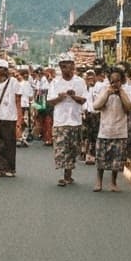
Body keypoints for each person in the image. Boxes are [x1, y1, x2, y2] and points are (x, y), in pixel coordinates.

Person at [47, 54, 87, 187]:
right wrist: (61, 97)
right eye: (63, 66)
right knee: (61, 148)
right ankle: (65, 176)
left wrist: (73, 96)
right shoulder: (55, 82)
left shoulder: (80, 81)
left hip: (75, 120)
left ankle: (69, 175)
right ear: (60, 67)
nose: (67, 69)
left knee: (72, 148)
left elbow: (83, 100)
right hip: (61, 120)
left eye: (69, 66)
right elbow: (51, 101)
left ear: (73, 67)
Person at [91, 67, 131, 192]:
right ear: (109, 81)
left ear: (122, 81)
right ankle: (99, 182)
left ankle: (113, 183)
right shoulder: (104, 90)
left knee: (117, 161)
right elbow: (96, 106)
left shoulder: (126, 91)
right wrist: (107, 93)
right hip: (105, 130)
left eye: (118, 81)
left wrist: (120, 93)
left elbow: (130, 108)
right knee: (101, 160)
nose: (115, 83)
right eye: (113, 81)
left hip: (120, 131)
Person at [0, 59, 22, 177]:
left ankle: (9, 168)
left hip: (10, 117)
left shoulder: (13, 82)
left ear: (6, 70)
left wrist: (19, 120)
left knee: (9, 144)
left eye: (1, 69)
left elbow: (18, 102)